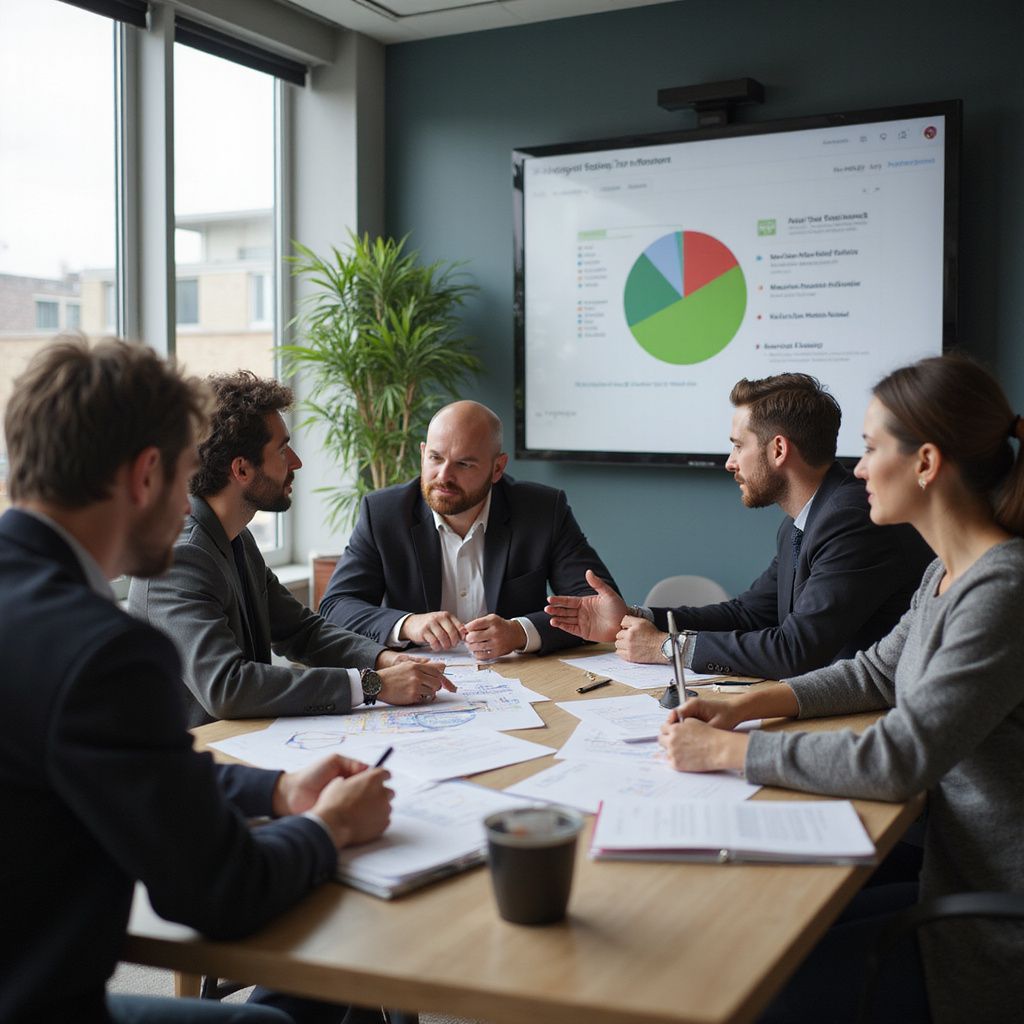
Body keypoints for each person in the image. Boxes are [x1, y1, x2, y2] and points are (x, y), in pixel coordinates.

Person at [0, 338, 394, 1024]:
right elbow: (220, 893)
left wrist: (274, 788)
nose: (190, 506)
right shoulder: (104, 652)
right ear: (146, 475)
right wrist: (329, 828)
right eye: (188, 475)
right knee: (313, 973)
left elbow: (126, 765)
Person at [659, 355, 1024, 1023]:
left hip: (989, 930)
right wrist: (743, 706)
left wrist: (726, 754)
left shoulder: (1002, 591)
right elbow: (873, 671)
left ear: (926, 463)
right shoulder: (947, 574)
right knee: (756, 933)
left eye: (871, 447)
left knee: (752, 992)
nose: (855, 470)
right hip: (952, 871)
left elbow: (899, 757)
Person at [546, 373, 932, 680]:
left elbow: (796, 651)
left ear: (778, 450)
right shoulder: (806, 521)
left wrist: (668, 647)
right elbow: (748, 614)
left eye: (737, 446)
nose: (730, 462)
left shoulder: (850, 519)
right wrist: (637, 617)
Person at [129, 372, 454, 727]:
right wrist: (371, 685)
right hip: (195, 764)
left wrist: (383, 660)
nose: (296, 462)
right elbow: (228, 686)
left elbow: (302, 631)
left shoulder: (234, 538)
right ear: (241, 469)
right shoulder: (181, 557)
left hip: (244, 747)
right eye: (282, 450)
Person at [318, 400, 619, 659]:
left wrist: (519, 632)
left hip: (522, 678)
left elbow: (596, 607)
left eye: (464, 464)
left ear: (497, 468)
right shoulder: (384, 513)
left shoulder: (541, 510)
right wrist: (408, 624)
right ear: (423, 453)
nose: (444, 476)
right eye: (435, 458)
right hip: (416, 680)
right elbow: (336, 607)